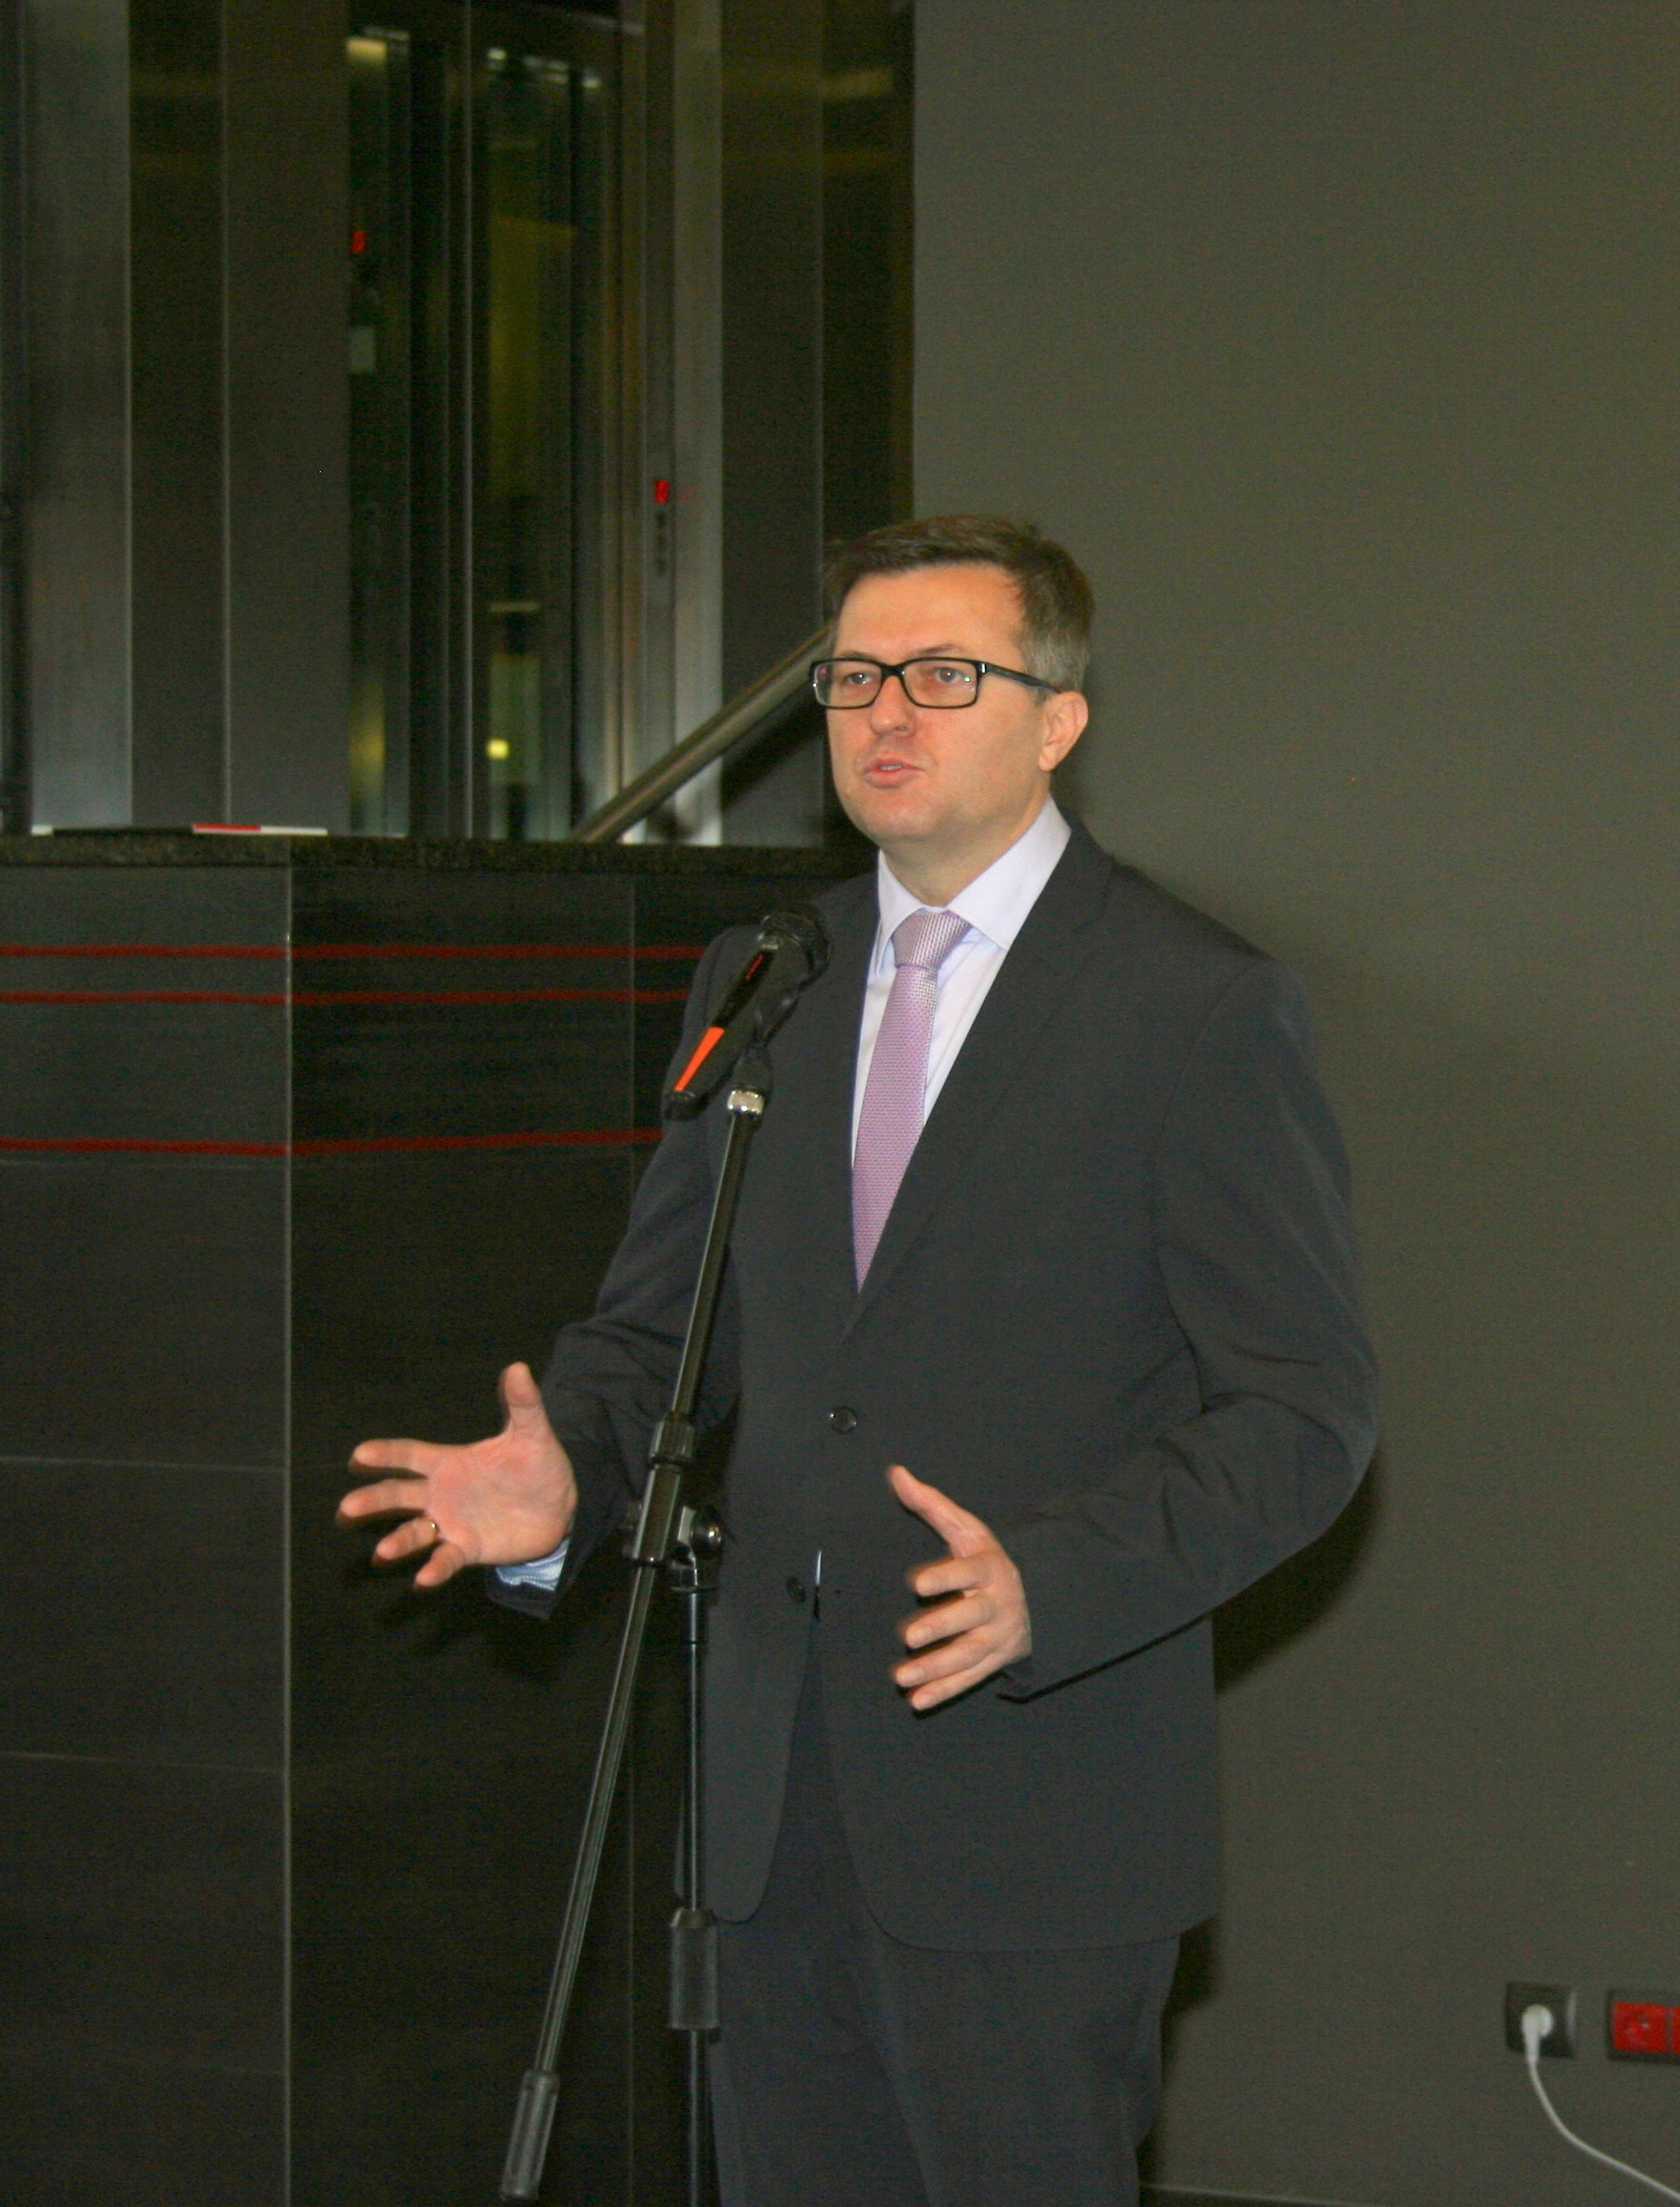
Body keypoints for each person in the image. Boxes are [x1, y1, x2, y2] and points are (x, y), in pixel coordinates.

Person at [337, 515, 1380, 2205]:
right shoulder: (771, 974)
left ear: (1057, 719)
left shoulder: (1191, 1004)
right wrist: (567, 1476)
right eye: (854, 675)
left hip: (1031, 1809)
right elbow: (660, 1328)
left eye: (945, 674)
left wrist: (1058, 1579)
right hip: (767, 1806)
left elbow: (1306, 1409)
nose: (888, 710)